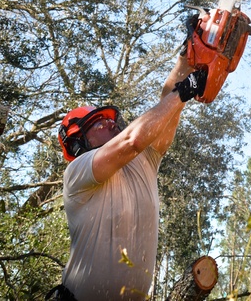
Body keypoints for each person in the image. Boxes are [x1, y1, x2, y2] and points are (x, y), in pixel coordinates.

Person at [47, 54, 205, 301]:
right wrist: (182, 94)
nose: (110, 124)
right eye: (99, 124)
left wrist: (188, 55)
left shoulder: (144, 162)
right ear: (79, 143)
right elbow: (132, 140)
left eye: (110, 119)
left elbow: (168, 109)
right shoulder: (78, 172)